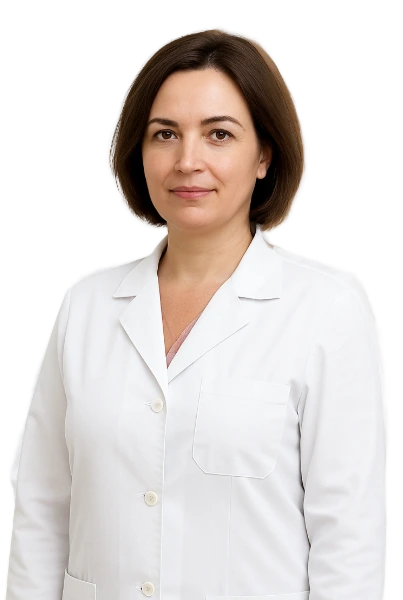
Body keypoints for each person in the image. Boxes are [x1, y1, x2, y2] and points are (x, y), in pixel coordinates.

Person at [6, 26, 388, 599]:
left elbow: (350, 541)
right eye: (165, 134)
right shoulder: (87, 305)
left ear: (264, 155)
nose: (187, 161)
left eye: (219, 134)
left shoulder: (325, 310)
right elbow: (41, 510)